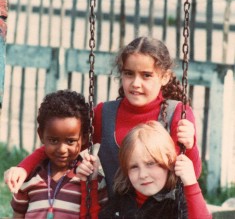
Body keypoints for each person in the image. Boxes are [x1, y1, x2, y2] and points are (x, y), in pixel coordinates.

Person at [4, 37, 201, 197]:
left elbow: (194, 172)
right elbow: (64, 144)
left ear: (164, 77)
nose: (135, 83)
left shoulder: (178, 114)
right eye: (129, 74)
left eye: (146, 75)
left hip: (163, 212)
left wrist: (189, 145)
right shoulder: (105, 114)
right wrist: (24, 167)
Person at [10, 90, 102, 219]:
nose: (62, 149)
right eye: (53, 140)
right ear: (41, 135)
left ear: (84, 138)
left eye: (70, 141)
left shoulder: (91, 178)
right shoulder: (29, 179)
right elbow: (18, 215)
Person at [97, 121, 212, 219]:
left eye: (150, 163)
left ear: (170, 162)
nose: (143, 175)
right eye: (134, 167)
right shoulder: (122, 200)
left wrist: (191, 184)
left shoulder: (176, 202)